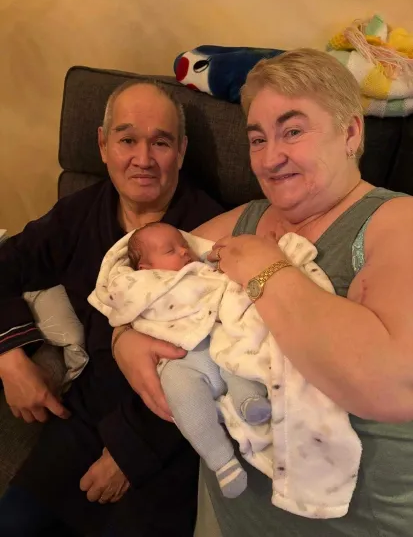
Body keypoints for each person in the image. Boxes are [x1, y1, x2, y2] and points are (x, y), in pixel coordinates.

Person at [112, 48, 413, 536]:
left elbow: (392, 385)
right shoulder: (247, 217)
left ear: (351, 134)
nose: (270, 159)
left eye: (292, 131)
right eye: (257, 139)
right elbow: (137, 278)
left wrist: (266, 270)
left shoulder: (397, 222)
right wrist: (123, 338)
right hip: (227, 512)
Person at [0, 80, 223, 536]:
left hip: (170, 428)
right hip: (83, 416)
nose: (143, 159)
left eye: (160, 142)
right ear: (103, 146)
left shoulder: (210, 233)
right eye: (127, 140)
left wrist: (130, 451)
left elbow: (223, 361)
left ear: (181, 151)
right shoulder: (79, 214)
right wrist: (9, 356)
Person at [101, 222, 272, 498]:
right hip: (183, 358)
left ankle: (249, 401)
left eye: (184, 245)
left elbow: (226, 284)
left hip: (218, 336)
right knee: (180, 391)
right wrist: (121, 336)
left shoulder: (203, 269)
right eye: (171, 250)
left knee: (239, 354)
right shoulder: (141, 284)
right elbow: (121, 305)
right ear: (145, 268)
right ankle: (222, 461)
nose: (183, 251)